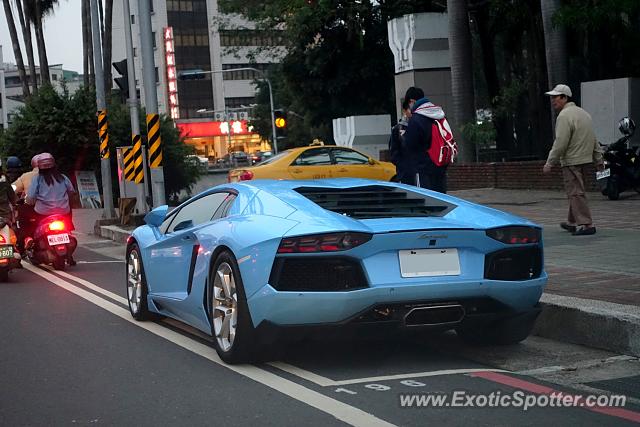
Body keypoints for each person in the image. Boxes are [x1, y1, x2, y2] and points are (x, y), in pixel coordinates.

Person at [543, 84, 603, 236]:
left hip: (571, 161)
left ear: (564, 97)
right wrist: (598, 159)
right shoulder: (584, 114)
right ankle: (571, 222)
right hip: (585, 160)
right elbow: (593, 139)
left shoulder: (564, 116)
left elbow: (560, 142)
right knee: (576, 191)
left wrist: (550, 161)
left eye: (555, 97)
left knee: (575, 192)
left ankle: (587, 225)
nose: (553, 100)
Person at [25, 153, 77, 264]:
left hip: (43, 213)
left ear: (39, 167)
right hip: (63, 212)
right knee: (69, 226)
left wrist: (29, 202)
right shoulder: (63, 178)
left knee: (30, 223)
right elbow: (71, 192)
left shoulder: (37, 179)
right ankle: (69, 254)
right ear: (54, 165)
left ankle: (30, 241)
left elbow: (31, 197)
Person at [402, 87, 449, 192]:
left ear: (412, 101)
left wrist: (404, 136)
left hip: (423, 168)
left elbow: (409, 145)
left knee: (426, 201)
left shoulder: (416, 119)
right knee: (441, 200)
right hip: (440, 165)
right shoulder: (440, 114)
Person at [388, 98, 412, 182]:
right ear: (404, 111)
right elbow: (393, 152)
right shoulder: (397, 129)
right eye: (410, 109)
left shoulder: (417, 126)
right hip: (404, 172)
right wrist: (402, 164)